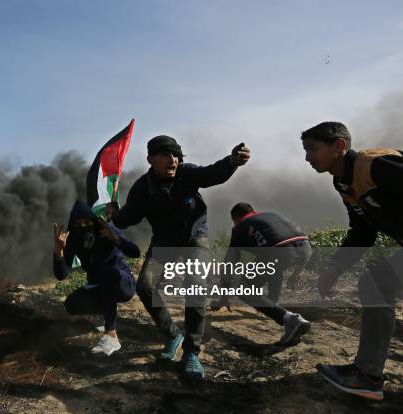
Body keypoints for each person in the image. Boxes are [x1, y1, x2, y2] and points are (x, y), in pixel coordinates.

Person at [108, 135, 250, 381]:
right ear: (151, 159)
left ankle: (192, 352)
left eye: (175, 154)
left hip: (195, 238)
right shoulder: (143, 188)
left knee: (195, 284)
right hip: (165, 243)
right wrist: (114, 212)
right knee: (145, 286)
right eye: (164, 154)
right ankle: (173, 335)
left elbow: (212, 173)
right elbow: (127, 218)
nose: (172, 159)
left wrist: (232, 161)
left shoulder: (187, 173)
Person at [302, 121, 403, 401]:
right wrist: (335, 268)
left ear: (340, 146)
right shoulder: (345, 182)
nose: (307, 157)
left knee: (375, 285)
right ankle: (367, 376)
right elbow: (362, 231)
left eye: (312, 149)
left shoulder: (375, 166)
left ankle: (368, 376)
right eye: (305, 150)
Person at [210, 202, 312, 346]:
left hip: (277, 251)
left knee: (242, 288)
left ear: (236, 218)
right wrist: (295, 274)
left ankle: (290, 320)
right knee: (273, 265)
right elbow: (300, 244)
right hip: (304, 246)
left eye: (233, 221)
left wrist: (224, 297)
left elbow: (229, 263)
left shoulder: (241, 226)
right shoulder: (270, 216)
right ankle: (273, 304)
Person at [53, 200, 140, 356]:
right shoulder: (73, 240)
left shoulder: (106, 230)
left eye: (87, 222)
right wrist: (59, 252)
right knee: (72, 304)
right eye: (79, 224)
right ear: (73, 226)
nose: (84, 226)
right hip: (100, 286)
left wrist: (115, 239)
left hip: (123, 283)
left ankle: (111, 335)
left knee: (108, 273)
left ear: (93, 221)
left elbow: (135, 252)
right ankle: (109, 311)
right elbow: (62, 274)